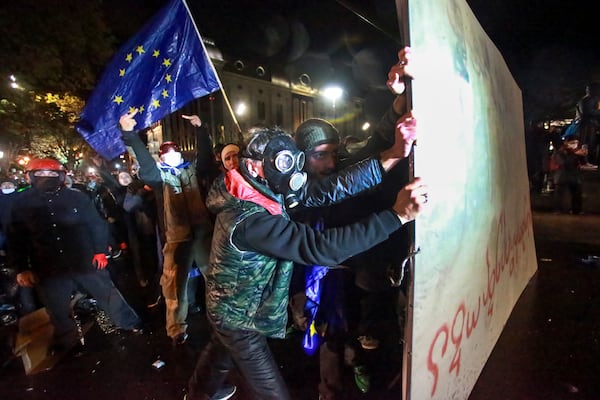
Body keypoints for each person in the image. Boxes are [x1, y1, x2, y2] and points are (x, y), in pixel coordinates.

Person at [181, 126, 426, 400]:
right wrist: (396, 217)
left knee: (220, 348)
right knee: (271, 391)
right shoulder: (249, 221)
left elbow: (330, 188)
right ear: (252, 164)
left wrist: (391, 156)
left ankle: (198, 394)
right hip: (238, 316)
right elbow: (320, 247)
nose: (289, 173)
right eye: (281, 163)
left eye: (290, 161)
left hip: (229, 304)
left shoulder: (258, 185)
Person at [289, 47, 414, 399]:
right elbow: (332, 190)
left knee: (360, 327)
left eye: (333, 153)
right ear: (302, 157)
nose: (330, 162)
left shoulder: (342, 164)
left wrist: (399, 101)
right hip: (318, 272)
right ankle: (328, 390)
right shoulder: (296, 187)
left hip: (354, 265)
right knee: (328, 332)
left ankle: (358, 363)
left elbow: (377, 139)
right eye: (319, 155)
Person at [7, 158, 143, 354]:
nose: (47, 178)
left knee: (107, 294)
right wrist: (21, 268)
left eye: (52, 174)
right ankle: (68, 342)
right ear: (30, 177)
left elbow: (96, 225)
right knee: (57, 309)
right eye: (41, 174)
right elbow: (16, 239)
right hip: (48, 266)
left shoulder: (76, 198)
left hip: (84, 258)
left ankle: (129, 323)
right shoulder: (22, 204)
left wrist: (100, 252)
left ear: (61, 176)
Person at [120, 112, 219, 346]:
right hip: (177, 240)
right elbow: (145, 164)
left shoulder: (193, 171)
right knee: (174, 287)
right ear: (162, 158)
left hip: (203, 236)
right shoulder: (158, 177)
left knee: (217, 280)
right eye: (167, 153)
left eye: (175, 151)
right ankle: (176, 330)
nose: (172, 155)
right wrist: (129, 134)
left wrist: (201, 128)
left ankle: (224, 322)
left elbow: (205, 157)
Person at [552, 134, 588, 214]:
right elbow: (563, 163)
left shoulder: (576, 152)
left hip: (574, 176)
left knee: (577, 193)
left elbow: (583, 163)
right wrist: (574, 155)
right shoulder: (560, 152)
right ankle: (558, 209)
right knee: (559, 195)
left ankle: (576, 210)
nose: (574, 145)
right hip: (562, 176)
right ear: (566, 143)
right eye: (572, 142)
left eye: (576, 143)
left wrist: (582, 156)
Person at [575, 83, 600, 165]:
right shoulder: (585, 100)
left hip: (591, 124)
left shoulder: (593, 99)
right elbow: (586, 112)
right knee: (586, 143)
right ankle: (584, 161)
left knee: (590, 143)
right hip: (586, 125)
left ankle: (587, 160)